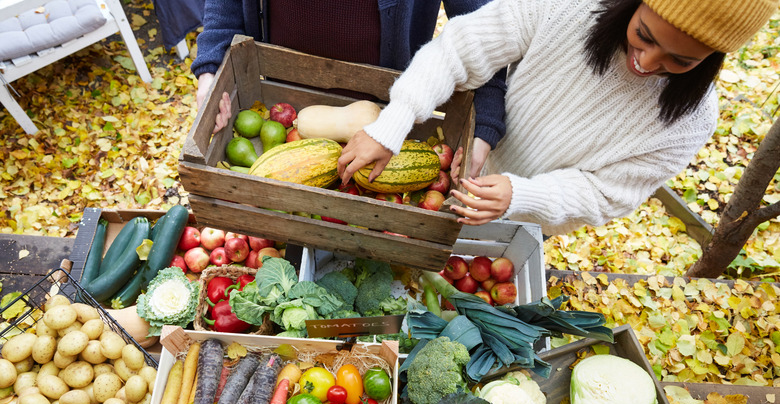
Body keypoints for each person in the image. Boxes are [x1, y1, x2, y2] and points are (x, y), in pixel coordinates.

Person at [338, 0, 779, 236]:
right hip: (461, 164)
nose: (646, 61)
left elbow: (607, 195)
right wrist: (395, 121)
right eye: (643, 35)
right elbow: (459, 48)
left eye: (680, 61)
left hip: (524, 219)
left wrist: (521, 196)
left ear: (711, 59)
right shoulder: (570, 6)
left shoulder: (692, 122)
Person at [190, 0, 508, 168]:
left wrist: (488, 114)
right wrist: (211, 69)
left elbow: (482, 24)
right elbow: (226, 5)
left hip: (388, 124)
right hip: (280, 106)